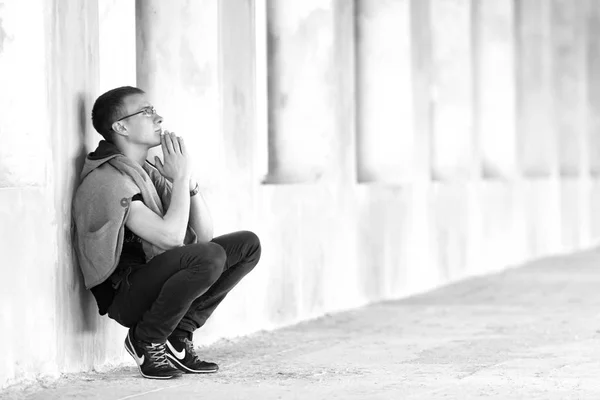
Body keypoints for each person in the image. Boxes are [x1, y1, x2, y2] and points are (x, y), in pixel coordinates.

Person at [72, 86, 261, 380]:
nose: (158, 117)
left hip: (155, 281)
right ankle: (146, 339)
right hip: (127, 295)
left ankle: (177, 335)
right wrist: (181, 175)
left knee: (247, 245)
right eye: (146, 112)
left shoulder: (146, 171)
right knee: (207, 257)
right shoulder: (110, 180)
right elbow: (171, 238)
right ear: (120, 126)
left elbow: (205, 233)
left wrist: (187, 184)